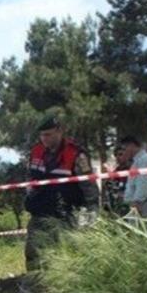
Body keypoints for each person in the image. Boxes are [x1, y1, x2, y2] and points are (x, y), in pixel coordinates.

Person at [23, 115, 99, 270]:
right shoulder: (36, 151)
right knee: (33, 253)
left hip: (66, 216)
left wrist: (90, 214)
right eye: (42, 135)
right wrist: (30, 192)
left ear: (60, 131)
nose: (44, 138)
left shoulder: (76, 154)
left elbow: (89, 187)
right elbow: (30, 177)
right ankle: (34, 288)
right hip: (39, 213)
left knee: (65, 257)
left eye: (48, 134)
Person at [121, 136, 147, 220]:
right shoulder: (138, 160)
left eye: (124, 149)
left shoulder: (144, 160)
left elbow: (143, 183)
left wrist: (137, 202)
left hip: (143, 205)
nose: (123, 153)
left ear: (131, 145)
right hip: (140, 204)